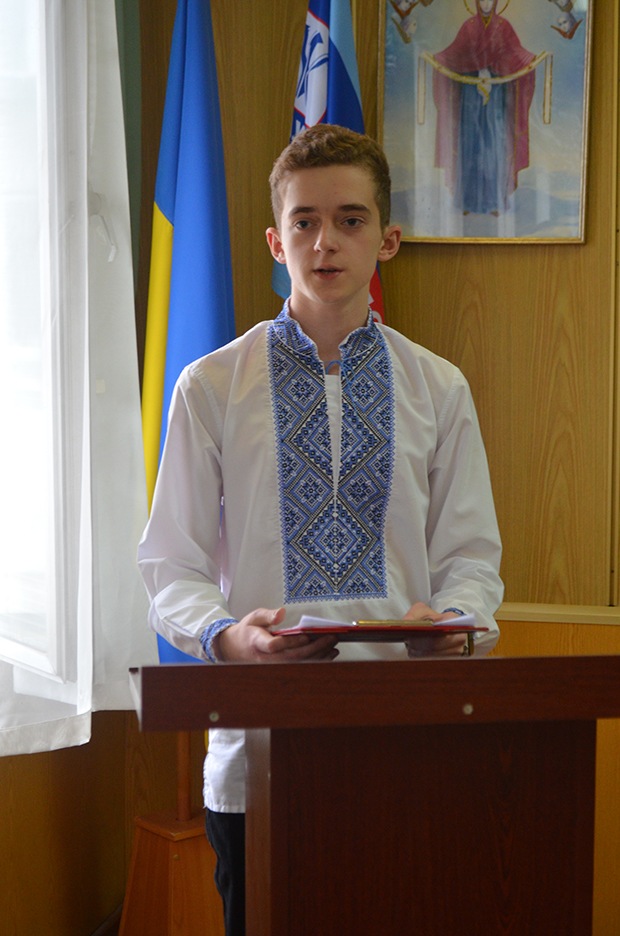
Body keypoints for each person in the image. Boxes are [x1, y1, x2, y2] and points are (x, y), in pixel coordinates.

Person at [137, 123, 503, 936]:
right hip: (258, 750)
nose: (324, 241)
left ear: (388, 239)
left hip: (407, 740)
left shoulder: (438, 388)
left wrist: (455, 625)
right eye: (303, 221)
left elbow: (471, 557)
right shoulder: (210, 386)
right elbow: (171, 565)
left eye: (349, 219)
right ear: (276, 242)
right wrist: (230, 638)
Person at [432, 0, 536, 215]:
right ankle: (466, 201)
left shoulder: (504, 27)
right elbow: (455, 56)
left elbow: (515, 55)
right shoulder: (469, 27)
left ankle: (496, 201)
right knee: (470, 144)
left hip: (497, 97)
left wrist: (531, 60)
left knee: (495, 146)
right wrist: (437, 59)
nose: (486, 3)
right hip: (470, 97)